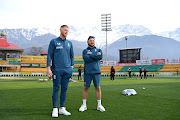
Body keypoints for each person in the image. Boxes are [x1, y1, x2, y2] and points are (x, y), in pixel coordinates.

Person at [47, 25, 74, 117]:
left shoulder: (70, 43)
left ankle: (62, 108)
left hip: (67, 70)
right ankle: (55, 109)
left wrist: (72, 67)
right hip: (57, 70)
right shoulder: (54, 41)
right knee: (56, 88)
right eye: (65, 30)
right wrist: (48, 68)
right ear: (60, 30)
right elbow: (49, 55)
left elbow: (72, 56)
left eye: (68, 30)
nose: (66, 32)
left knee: (64, 89)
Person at [79, 36, 105, 112]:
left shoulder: (99, 50)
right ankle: (84, 105)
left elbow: (100, 57)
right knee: (86, 88)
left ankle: (99, 105)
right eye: (90, 40)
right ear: (87, 42)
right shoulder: (85, 51)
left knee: (98, 88)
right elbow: (86, 59)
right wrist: (95, 56)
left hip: (97, 71)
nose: (92, 42)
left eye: (93, 40)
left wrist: (90, 56)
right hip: (88, 72)